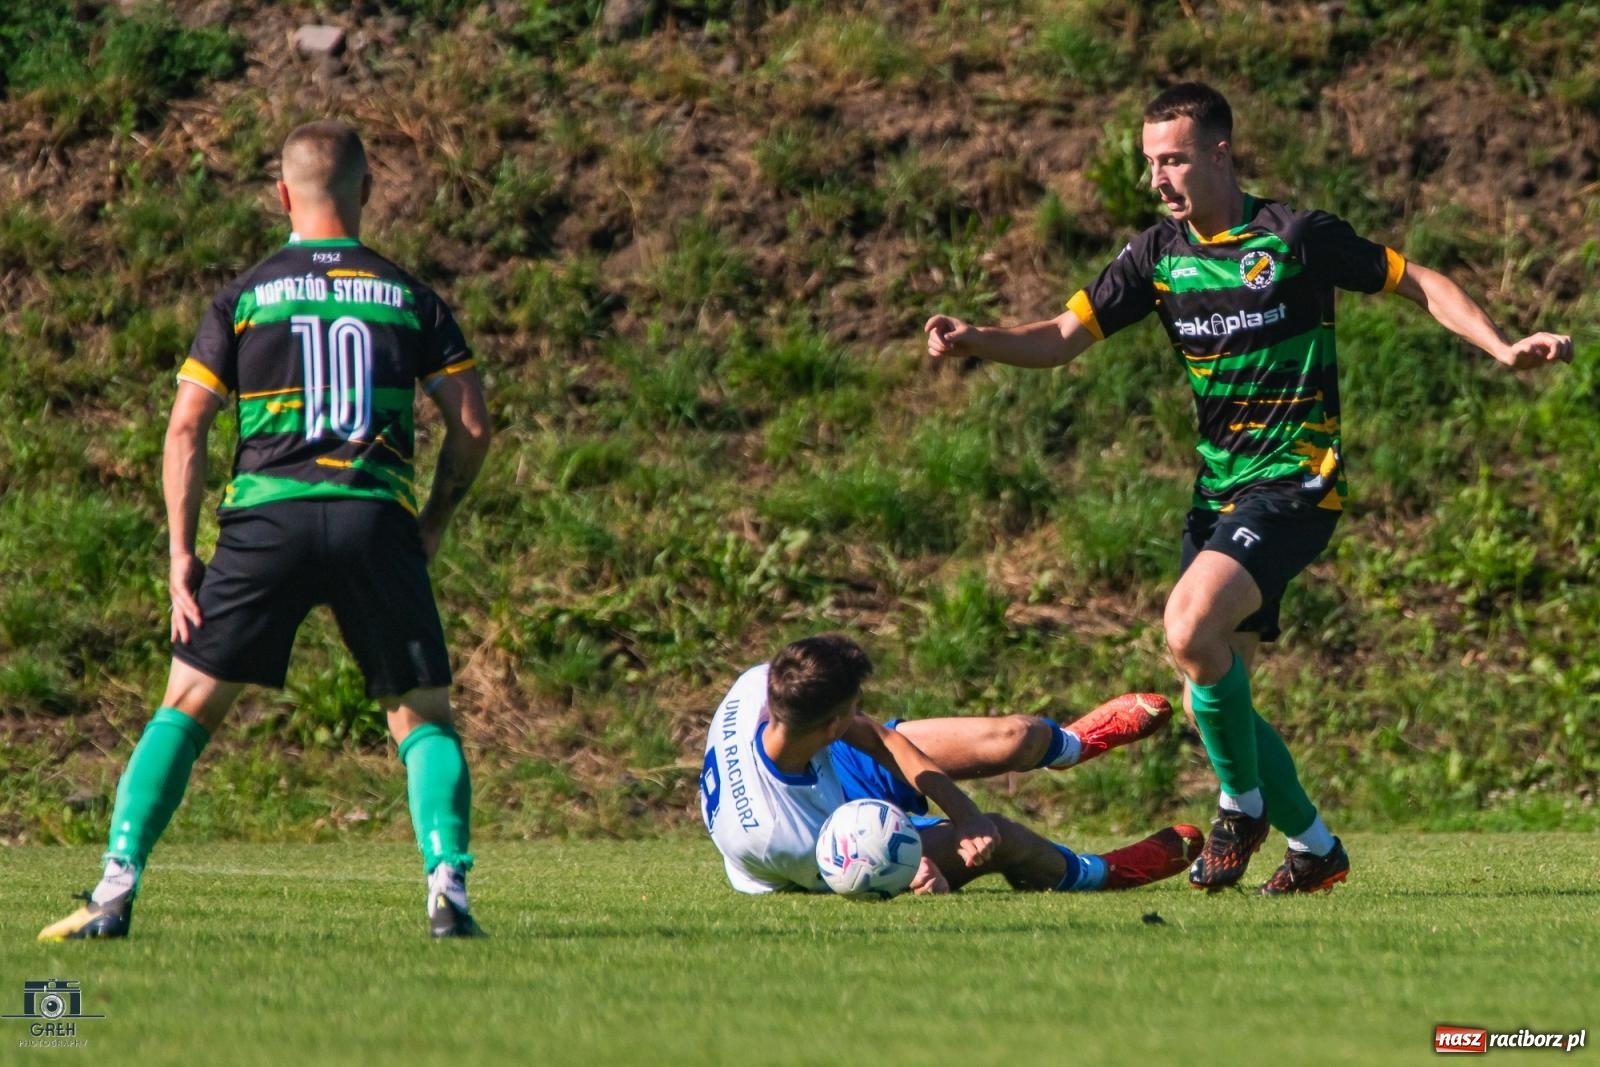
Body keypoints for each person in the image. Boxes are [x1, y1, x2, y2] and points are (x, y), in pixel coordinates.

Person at [924, 83, 1572, 894]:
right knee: (1209, 698)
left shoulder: (1293, 236)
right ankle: (1316, 848)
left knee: (1189, 626)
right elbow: (1060, 337)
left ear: (1221, 154)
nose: (1159, 178)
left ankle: (1240, 805)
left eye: (1175, 159)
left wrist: (1503, 346)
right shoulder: (1156, 257)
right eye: (1150, 161)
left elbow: (1417, 280)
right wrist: (976, 336)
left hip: (1297, 482)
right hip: (1220, 494)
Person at [39, 121, 493, 940]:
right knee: (420, 713)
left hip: (266, 521)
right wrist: (431, 522)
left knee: (188, 701)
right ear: (367, 191)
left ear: (283, 195)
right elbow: (472, 427)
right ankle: (446, 890)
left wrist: (182, 556)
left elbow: (186, 428)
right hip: (371, 516)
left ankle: (115, 886)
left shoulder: (244, 296)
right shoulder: (410, 295)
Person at [699, 633, 1204, 896]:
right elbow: (849, 880)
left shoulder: (761, 689)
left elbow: (878, 739)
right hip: (823, 839)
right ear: (832, 721)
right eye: (853, 705)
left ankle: (1069, 745)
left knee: (1012, 737)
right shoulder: (781, 840)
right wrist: (902, 874)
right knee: (1003, 840)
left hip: (832, 766)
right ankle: (1101, 874)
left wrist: (965, 815)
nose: (862, 710)